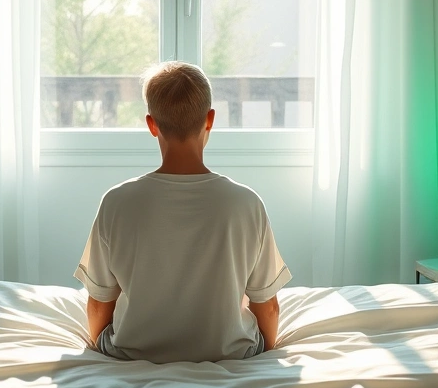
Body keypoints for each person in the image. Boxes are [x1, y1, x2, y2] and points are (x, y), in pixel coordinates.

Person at [73, 61, 292, 363]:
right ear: (210, 119)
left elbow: (99, 305)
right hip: (231, 351)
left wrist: (101, 345)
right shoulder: (246, 203)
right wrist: (264, 353)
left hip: (131, 351)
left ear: (151, 124)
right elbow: (267, 306)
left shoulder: (116, 202)